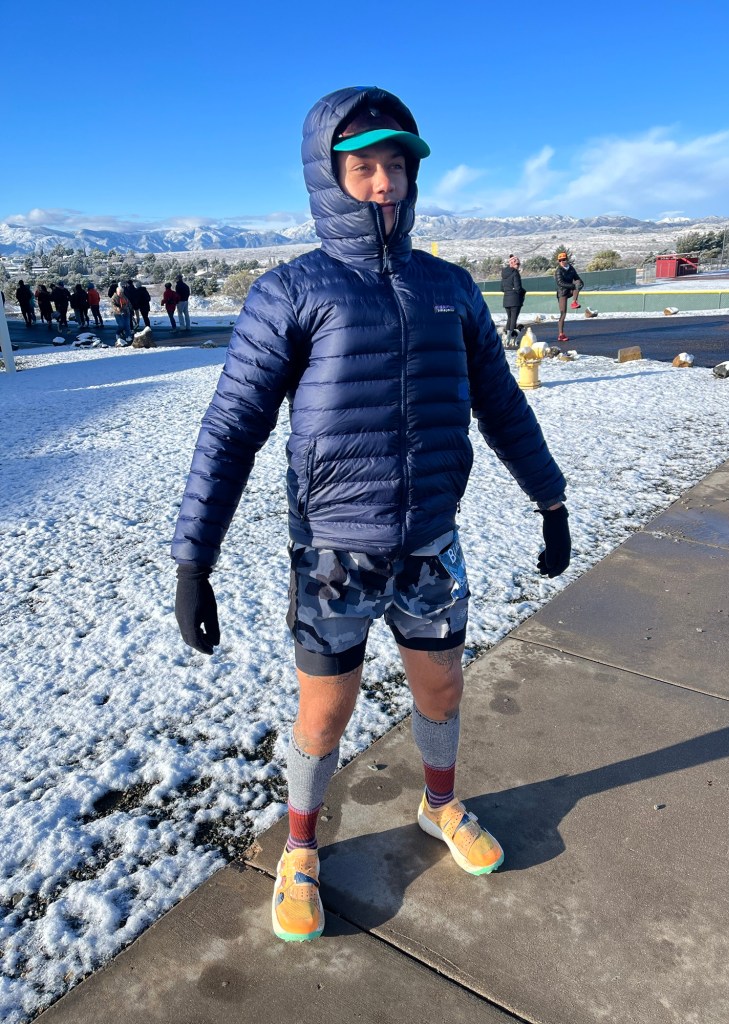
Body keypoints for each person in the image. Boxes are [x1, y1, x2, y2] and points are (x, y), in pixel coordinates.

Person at [171, 86, 571, 945]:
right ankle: (300, 847)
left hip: (430, 544)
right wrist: (194, 560)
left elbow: (501, 404)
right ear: (329, 177)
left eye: (397, 164)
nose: (384, 182)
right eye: (363, 167)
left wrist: (551, 498)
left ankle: (440, 804)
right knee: (326, 712)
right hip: (334, 554)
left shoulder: (450, 289)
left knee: (442, 686)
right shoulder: (290, 292)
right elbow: (232, 427)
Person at [554, 251, 583, 344]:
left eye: (563, 259)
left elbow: (577, 278)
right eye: (560, 260)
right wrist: (573, 286)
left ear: (567, 260)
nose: (562, 262)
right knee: (563, 313)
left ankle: (574, 302)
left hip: (570, 291)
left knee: (578, 283)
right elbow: (560, 283)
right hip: (562, 293)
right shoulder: (558, 270)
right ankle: (561, 334)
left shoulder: (571, 268)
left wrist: (580, 283)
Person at [500, 254, 526, 346]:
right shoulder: (515, 273)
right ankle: (510, 338)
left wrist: (509, 290)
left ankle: (506, 336)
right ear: (512, 264)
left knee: (510, 318)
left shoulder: (504, 273)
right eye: (517, 264)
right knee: (513, 319)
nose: (518, 266)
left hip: (506, 300)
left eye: (518, 264)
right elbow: (518, 288)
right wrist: (523, 291)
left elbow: (501, 288)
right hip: (515, 300)